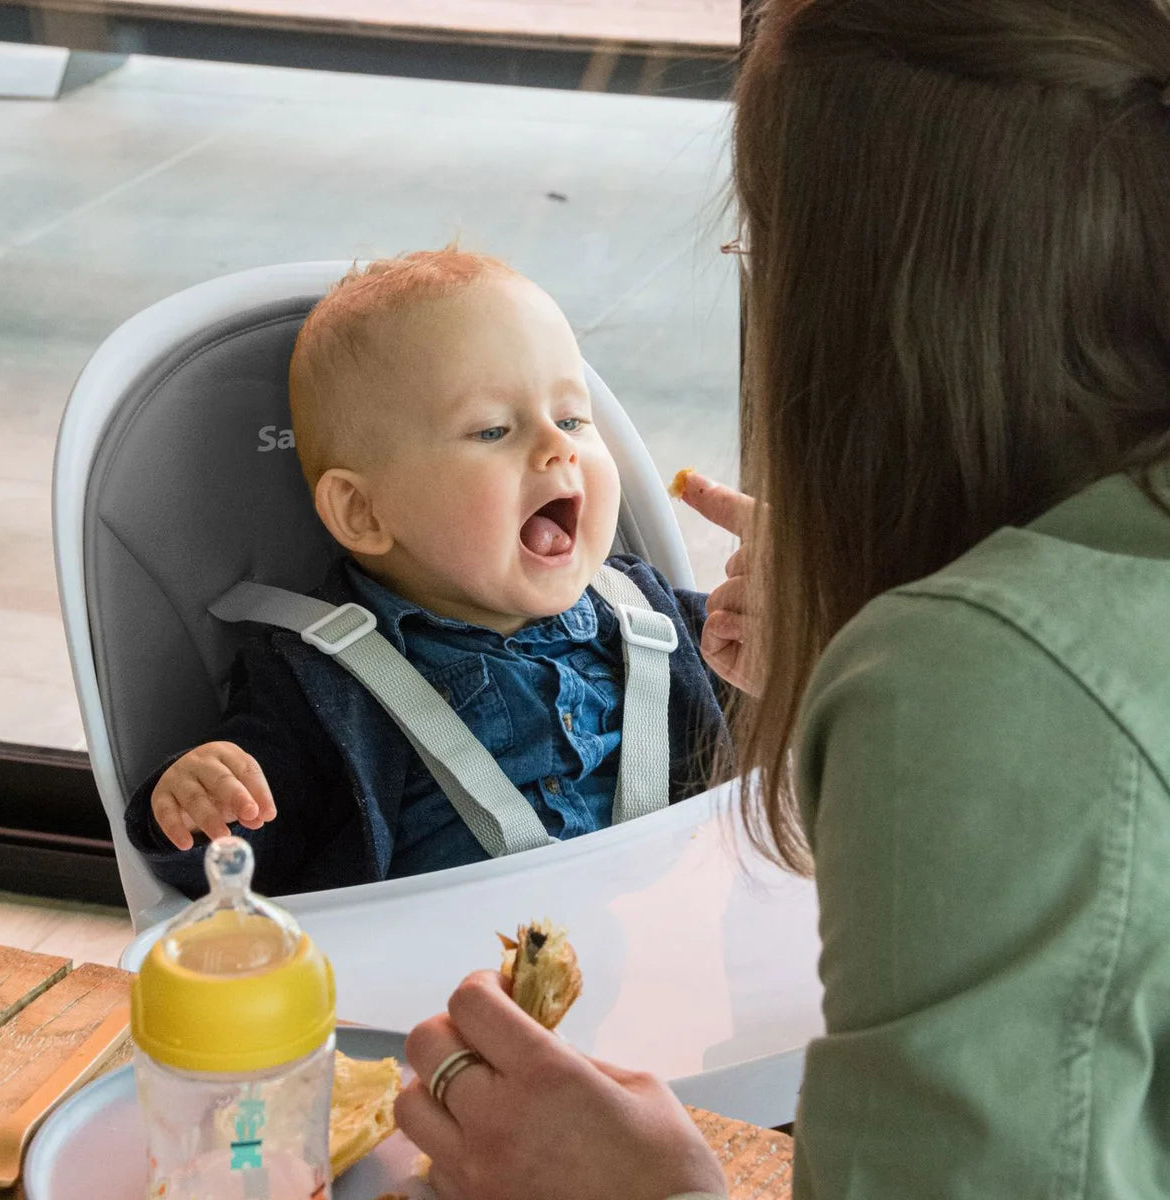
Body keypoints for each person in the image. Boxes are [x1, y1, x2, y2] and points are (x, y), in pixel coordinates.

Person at [393, 1, 1170, 1196]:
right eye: (493, 430)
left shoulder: (984, 679)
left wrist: (650, 1187)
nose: (550, 452)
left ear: (865, 305)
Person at [123, 248, 730, 897]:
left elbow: (784, 755)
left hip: (669, 949)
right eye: (494, 430)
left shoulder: (657, 617)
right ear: (362, 511)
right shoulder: (318, 684)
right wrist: (202, 805)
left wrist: (791, 638)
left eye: (572, 418)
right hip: (438, 987)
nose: (558, 446)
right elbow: (248, 862)